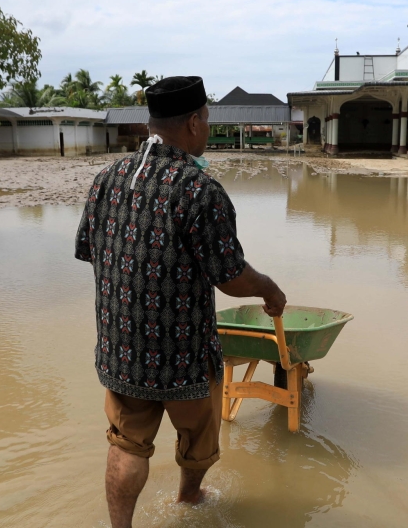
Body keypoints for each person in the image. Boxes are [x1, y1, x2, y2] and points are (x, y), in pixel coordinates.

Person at [75, 76, 287, 528]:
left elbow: (88, 250)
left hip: (122, 351)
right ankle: (189, 498)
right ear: (193, 123)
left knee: (127, 445)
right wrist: (269, 289)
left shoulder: (106, 179)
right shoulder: (199, 190)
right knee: (199, 440)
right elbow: (230, 276)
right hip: (184, 356)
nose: (207, 127)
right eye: (206, 119)